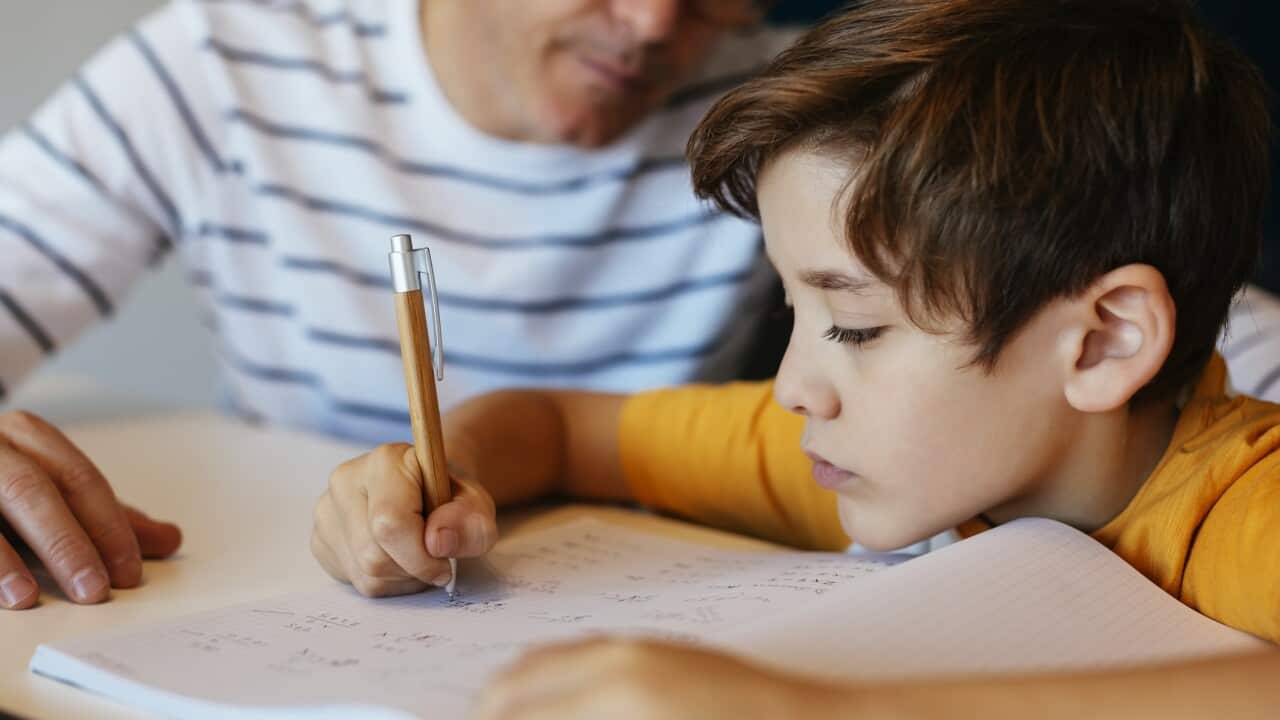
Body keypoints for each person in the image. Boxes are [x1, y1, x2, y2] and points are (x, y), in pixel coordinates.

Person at [313, 0, 1280, 715]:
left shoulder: (1245, 508)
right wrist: (436, 476)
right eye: (794, 311)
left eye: (855, 328)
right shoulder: (877, 458)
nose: (791, 388)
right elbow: (558, 428)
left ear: (1104, 341)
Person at [0, 0, 802, 611]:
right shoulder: (221, 60)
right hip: (271, 590)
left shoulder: (794, 103)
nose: (654, 22)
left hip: (637, 603)